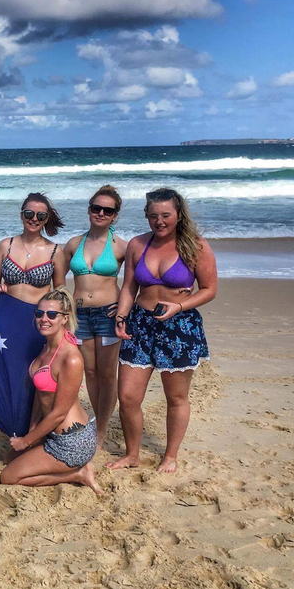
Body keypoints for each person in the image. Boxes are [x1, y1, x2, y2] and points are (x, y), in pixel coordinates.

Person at [107, 188, 217, 474]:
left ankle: (170, 455)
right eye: (153, 216)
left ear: (178, 215)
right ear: (146, 216)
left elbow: (209, 290)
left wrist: (179, 307)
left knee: (176, 398)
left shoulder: (195, 245)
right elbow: (131, 285)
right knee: (128, 397)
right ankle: (132, 454)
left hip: (179, 327)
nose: (159, 221)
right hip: (140, 324)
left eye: (166, 215)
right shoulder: (137, 244)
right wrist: (121, 315)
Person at [0, 288, 103, 495]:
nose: (44, 319)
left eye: (52, 314)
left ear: (65, 319)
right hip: (51, 434)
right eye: (39, 313)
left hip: (72, 442)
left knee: (8, 477)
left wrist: (26, 441)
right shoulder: (46, 346)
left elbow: (59, 413)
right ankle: (68, 467)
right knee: (8, 460)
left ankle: (77, 474)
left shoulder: (70, 358)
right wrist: (32, 432)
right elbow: (40, 395)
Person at [63, 185, 129, 452]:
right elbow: (58, 282)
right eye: (96, 208)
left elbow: (134, 283)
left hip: (108, 315)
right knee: (89, 372)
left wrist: (124, 310)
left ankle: (100, 429)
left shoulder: (122, 247)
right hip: (80, 316)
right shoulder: (73, 244)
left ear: (115, 215)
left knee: (107, 375)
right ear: (89, 210)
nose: (100, 213)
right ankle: (97, 420)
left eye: (107, 210)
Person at [0, 192, 68, 305]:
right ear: (22, 215)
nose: (34, 219)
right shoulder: (6, 246)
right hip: (6, 309)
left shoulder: (54, 251)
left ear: (46, 219)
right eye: (29, 214)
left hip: (39, 315)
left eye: (41, 216)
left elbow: (60, 288)